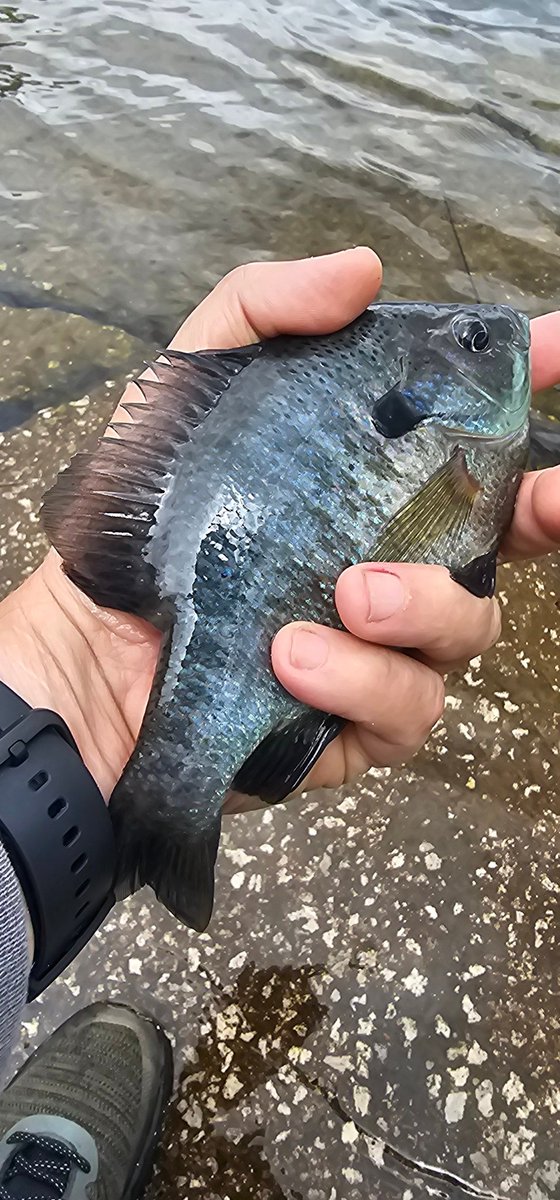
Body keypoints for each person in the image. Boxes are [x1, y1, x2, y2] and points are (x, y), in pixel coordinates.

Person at [0, 248, 559, 1198]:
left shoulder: (441, 430)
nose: (495, 339)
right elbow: (446, 525)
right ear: (430, 380)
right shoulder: (452, 440)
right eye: (470, 338)